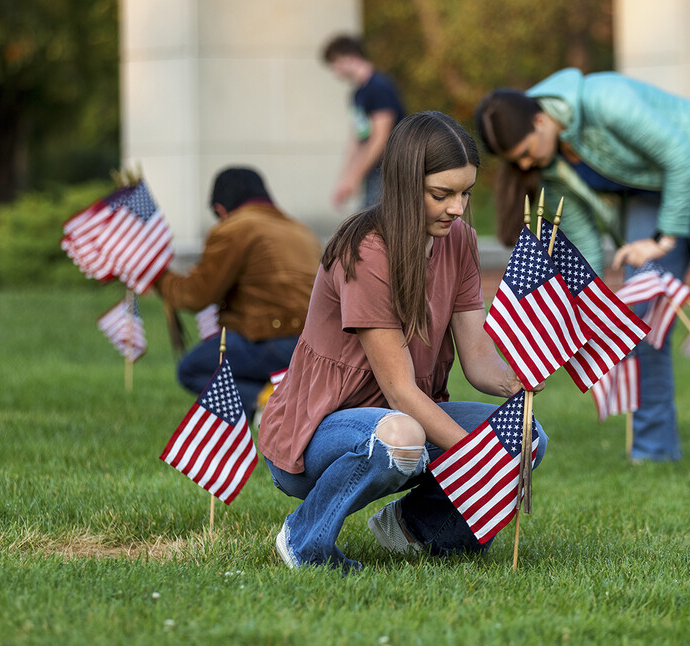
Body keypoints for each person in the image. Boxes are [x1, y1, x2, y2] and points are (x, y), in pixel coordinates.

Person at [475, 68, 690, 475]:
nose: (526, 163)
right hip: (654, 191)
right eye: (517, 161)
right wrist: (580, 309)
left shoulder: (604, 99)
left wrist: (663, 240)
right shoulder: (551, 165)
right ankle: (654, 449)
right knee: (637, 316)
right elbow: (587, 249)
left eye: (527, 151)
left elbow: (682, 158)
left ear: (541, 120)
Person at [259, 111, 547, 572]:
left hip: (401, 419)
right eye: (442, 194)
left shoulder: (460, 241)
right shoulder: (367, 251)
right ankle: (303, 539)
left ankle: (413, 529)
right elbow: (400, 392)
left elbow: (477, 360)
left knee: (524, 436)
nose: (457, 207)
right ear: (404, 184)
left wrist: (521, 384)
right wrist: (479, 462)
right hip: (323, 429)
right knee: (404, 435)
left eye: (465, 194)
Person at [156, 166, 322, 417]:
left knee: (192, 370)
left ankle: (266, 404)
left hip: (273, 342)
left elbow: (196, 296)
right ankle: (284, 395)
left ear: (220, 209)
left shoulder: (234, 227)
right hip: (315, 348)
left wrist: (158, 276)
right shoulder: (301, 230)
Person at [322, 34, 406, 210]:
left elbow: (381, 138)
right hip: (373, 172)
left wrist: (354, 178)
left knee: (374, 224)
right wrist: (346, 178)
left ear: (351, 57)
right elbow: (358, 138)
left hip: (390, 169)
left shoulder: (379, 87)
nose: (335, 71)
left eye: (335, 63)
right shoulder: (357, 94)